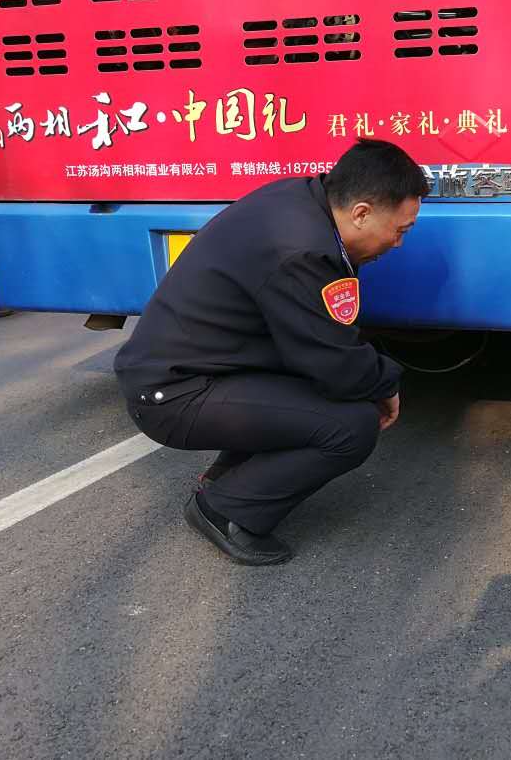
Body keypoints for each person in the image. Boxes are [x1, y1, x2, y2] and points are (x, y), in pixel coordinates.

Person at [114, 139, 429, 566]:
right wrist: (386, 385)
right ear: (361, 213)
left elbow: (323, 342)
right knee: (352, 425)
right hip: (174, 394)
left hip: (194, 372)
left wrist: (371, 376)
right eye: (400, 230)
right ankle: (224, 511)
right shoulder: (300, 249)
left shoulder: (303, 204)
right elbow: (333, 362)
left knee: (316, 390)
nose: (398, 243)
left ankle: (226, 480)